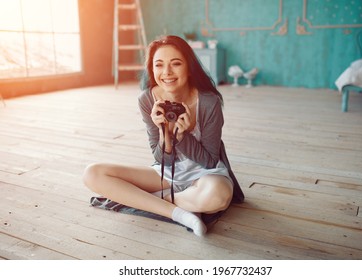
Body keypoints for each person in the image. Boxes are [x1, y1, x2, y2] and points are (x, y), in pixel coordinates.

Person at [83, 35, 244, 237]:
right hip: (167, 172)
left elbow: (210, 161)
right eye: (158, 65)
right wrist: (165, 132)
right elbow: (161, 159)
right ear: (152, 69)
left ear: (189, 67)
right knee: (93, 173)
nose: (166, 73)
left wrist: (182, 136)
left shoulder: (208, 102)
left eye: (175, 63)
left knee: (218, 197)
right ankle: (180, 214)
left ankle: (150, 199)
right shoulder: (148, 99)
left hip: (205, 174)